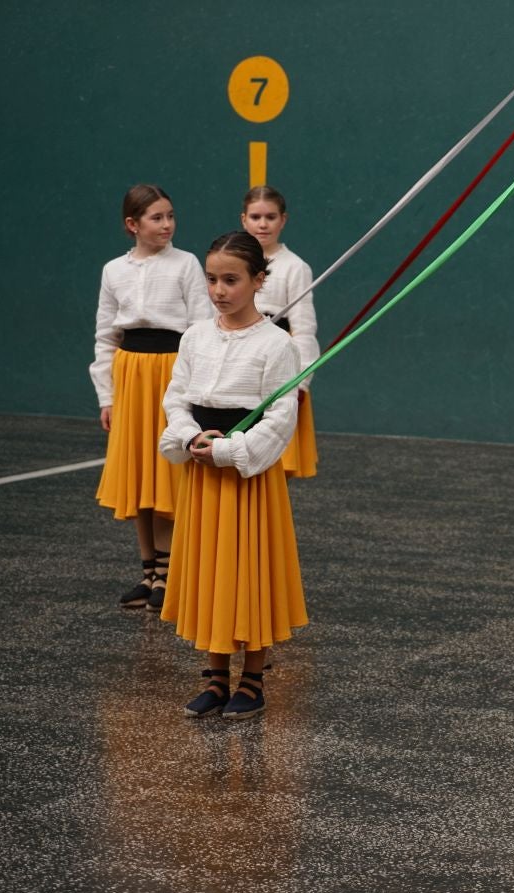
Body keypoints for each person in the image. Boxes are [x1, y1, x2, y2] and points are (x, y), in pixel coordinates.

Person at [159, 231, 307, 720]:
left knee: (250, 571)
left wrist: (228, 450)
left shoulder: (276, 345)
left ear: (259, 281)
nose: (219, 290)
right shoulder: (195, 337)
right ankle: (215, 676)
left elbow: (280, 419)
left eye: (231, 280)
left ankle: (253, 679)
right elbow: (177, 397)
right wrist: (187, 437)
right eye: (212, 279)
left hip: (246, 479)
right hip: (203, 478)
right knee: (213, 571)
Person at [91, 184, 211, 610]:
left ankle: (169, 573)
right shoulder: (113, 271)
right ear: (132, 225)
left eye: (170, 216)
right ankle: (149, 573)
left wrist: (195, 388)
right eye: (157, 218)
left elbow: (201, 327)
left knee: (166, 473)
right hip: (131, 375)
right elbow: (106, 336)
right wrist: (107, 395)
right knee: (138, 475)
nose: (167, 224)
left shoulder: (186, 264)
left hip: (170, 371)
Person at [242, 184, 320, 478]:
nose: (263, 224)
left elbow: (304, 328)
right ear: (243, 219)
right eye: (256, 216)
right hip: (242, 362)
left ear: (283, 220)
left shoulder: (295, 267)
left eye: (270, 217)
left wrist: (301, 382)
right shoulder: (234, 261)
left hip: (279, 367)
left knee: (275, 462)